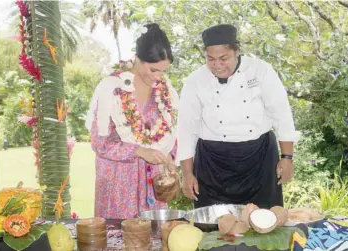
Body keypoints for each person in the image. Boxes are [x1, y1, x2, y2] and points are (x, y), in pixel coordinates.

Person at [177, 24, 300, 209]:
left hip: (259, 157)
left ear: (237, 52)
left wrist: (287, 158)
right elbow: (186, 129)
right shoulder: (195, 80)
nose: (217, 65)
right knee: (214, 227)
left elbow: (281, 114)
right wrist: (187, 174)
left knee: (263, 221)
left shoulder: (260, 70)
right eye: (210, 59)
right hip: (213, 162)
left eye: (223, 58)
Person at [85, 23, 179, 219]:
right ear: (137, 59)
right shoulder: (112, 89)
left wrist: (169, 157)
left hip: (153, 181)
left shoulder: (164, 90)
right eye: (153, 70)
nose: (157, 77)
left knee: (153, 240)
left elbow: (170, 131)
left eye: (163, 71)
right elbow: (100, 143)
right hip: (119, 182)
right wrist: (138, 151)